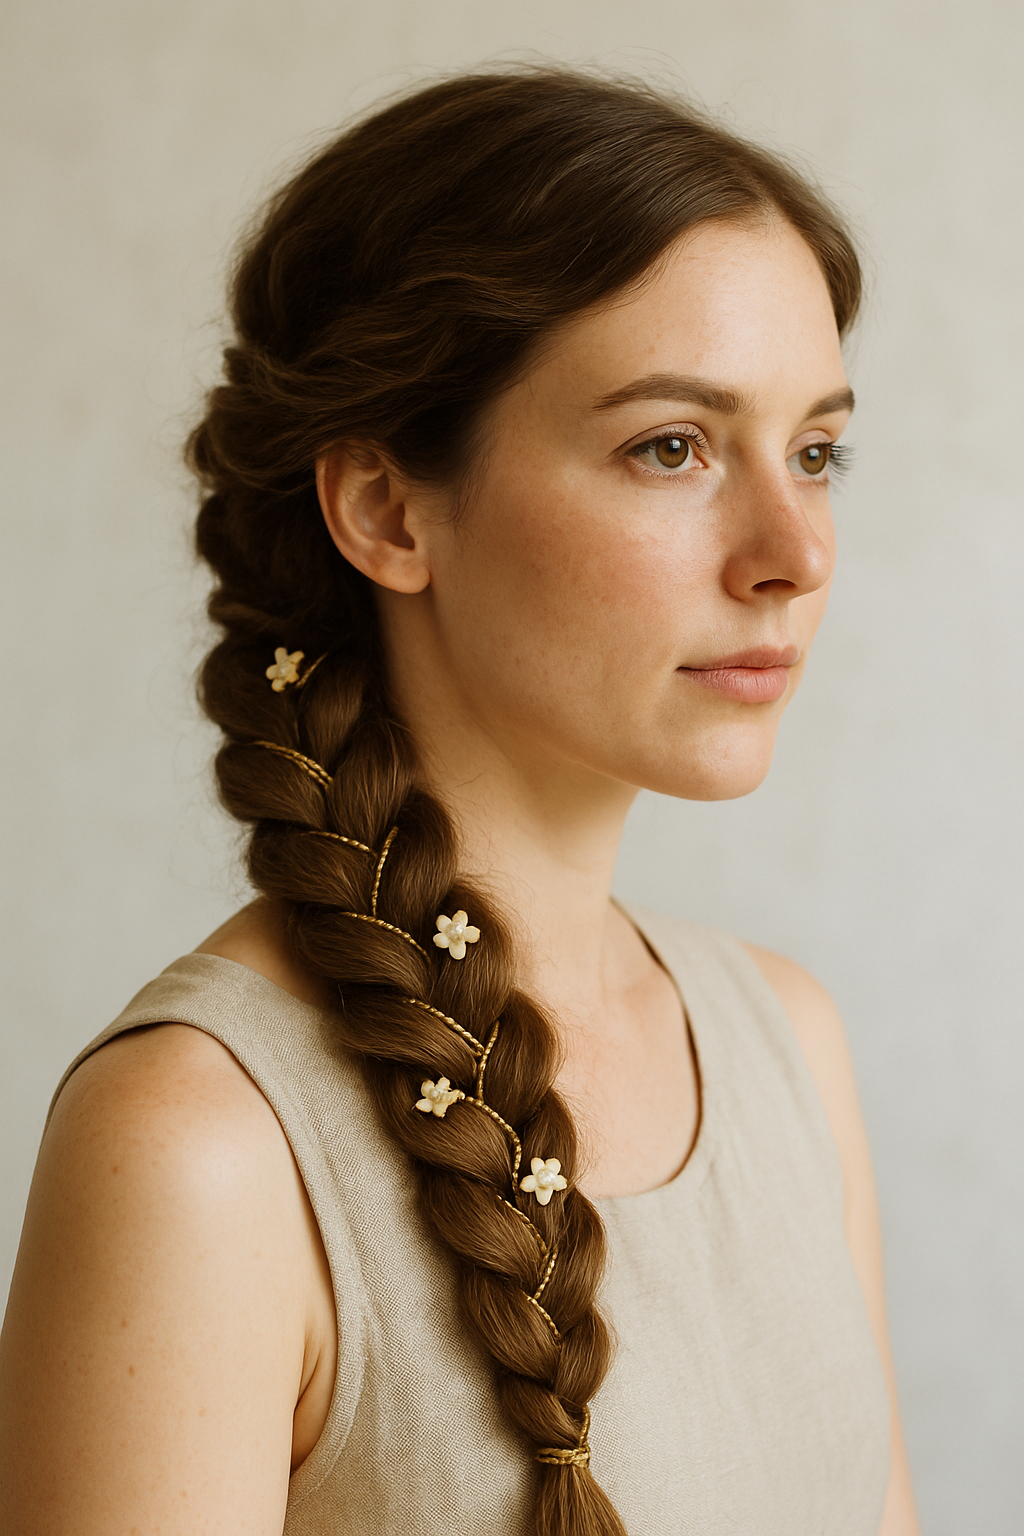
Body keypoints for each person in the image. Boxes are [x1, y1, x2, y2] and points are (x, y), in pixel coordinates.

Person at [0, 67, 920, 1536]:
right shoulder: (197, 1149)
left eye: (816, 449)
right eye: (670, 446)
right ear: (385, 507)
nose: (795, 549)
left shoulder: (785, 1049)